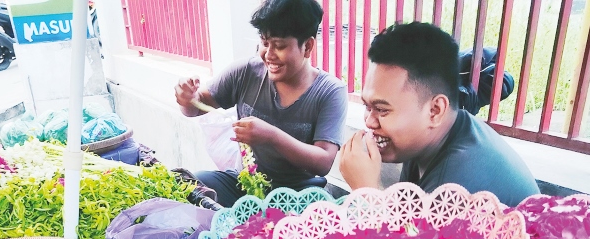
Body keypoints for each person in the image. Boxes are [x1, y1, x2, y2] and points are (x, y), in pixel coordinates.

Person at [339, 22, 539, 207]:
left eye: (382, 109)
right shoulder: (428, 138)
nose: (369, 121)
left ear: (435, 110)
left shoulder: (456, 186)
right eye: (367, 107)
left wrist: (366, 193)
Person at [174, 0, 348, 207]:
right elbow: (195, 106)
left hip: (299, 196)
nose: (269, 54)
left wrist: (271, 136)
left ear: (308, 46)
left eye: (280, 46)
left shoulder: (330, 91)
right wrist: (187, 98)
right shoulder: (246, 72)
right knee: (189, 185)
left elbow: (323, 162)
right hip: (244, 183)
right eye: (265, 43)